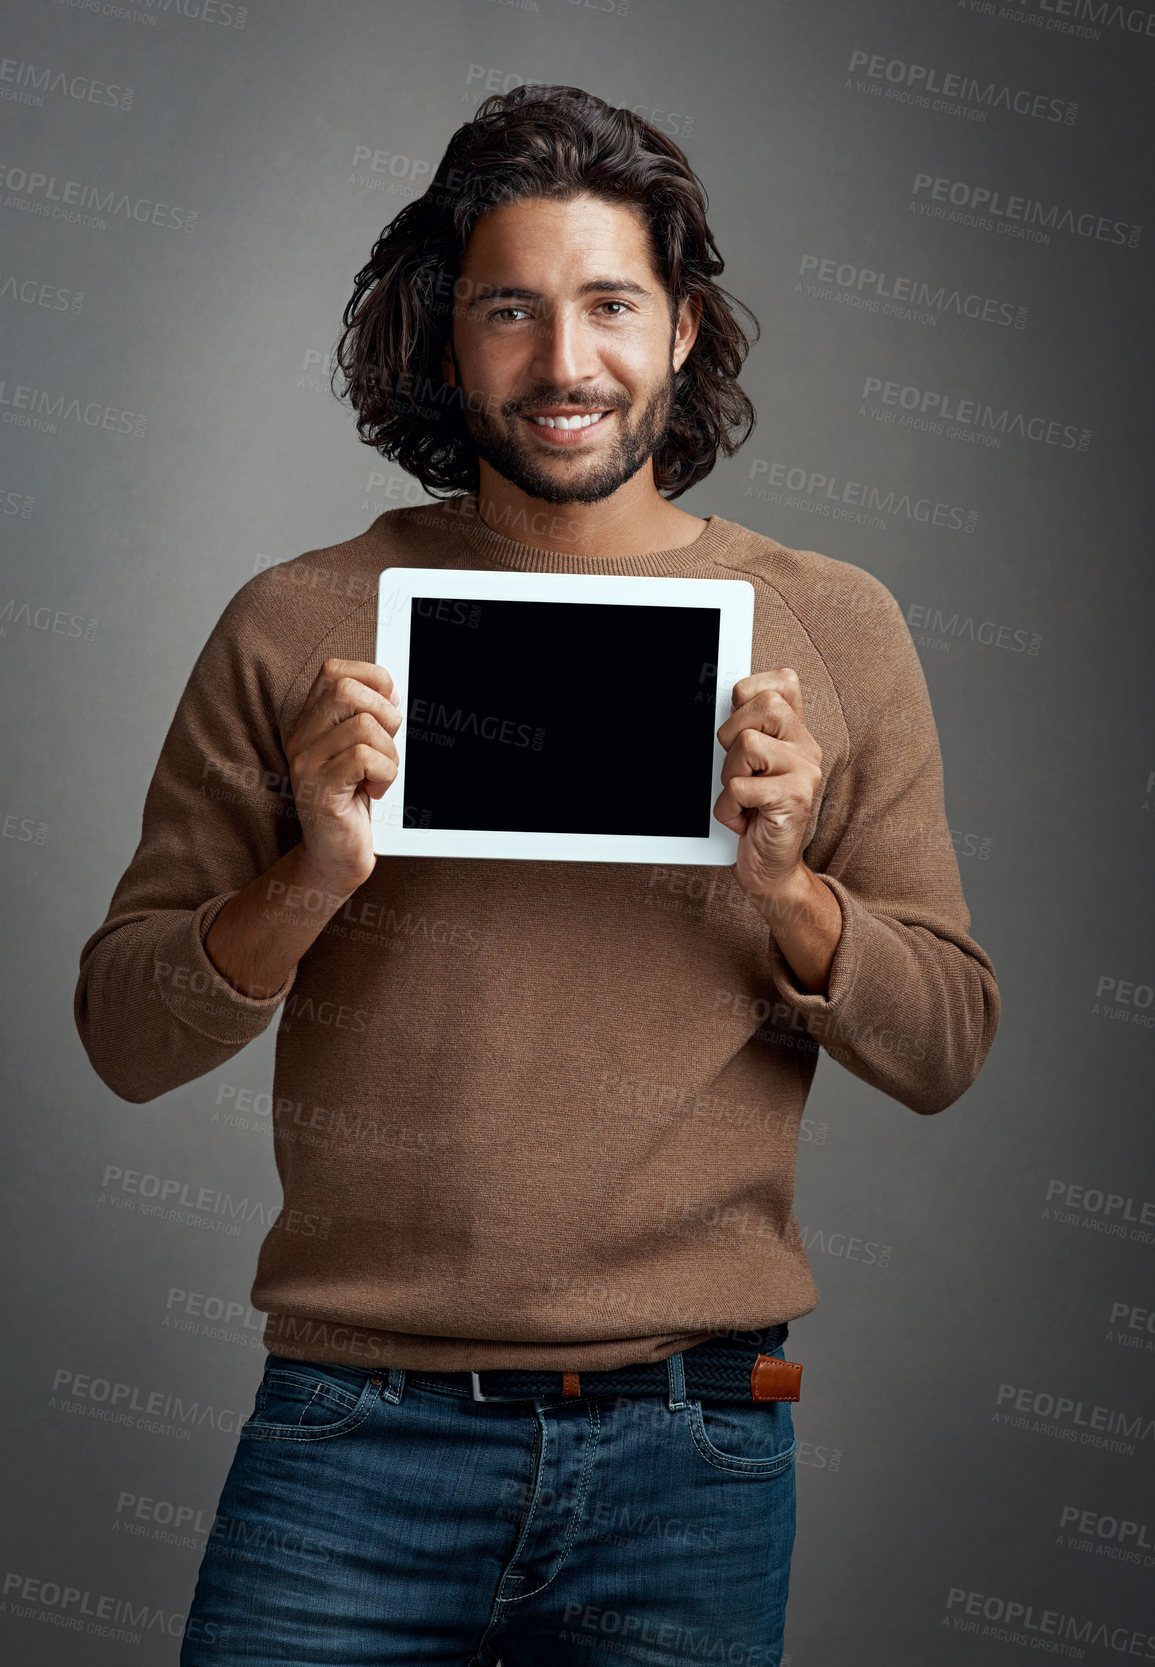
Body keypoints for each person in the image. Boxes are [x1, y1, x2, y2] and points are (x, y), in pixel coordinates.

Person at [75, 85, 999, 1667]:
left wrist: (793, 894)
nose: (565, 365)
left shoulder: (835, 624)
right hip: (351, 1425)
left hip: (697, 1437)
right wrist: (307, 877)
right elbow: (125, 1037)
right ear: (447, 336)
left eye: (609, 306)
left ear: (685, 329)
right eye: (511, 310)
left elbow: (947, 1046)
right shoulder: (299, 621)